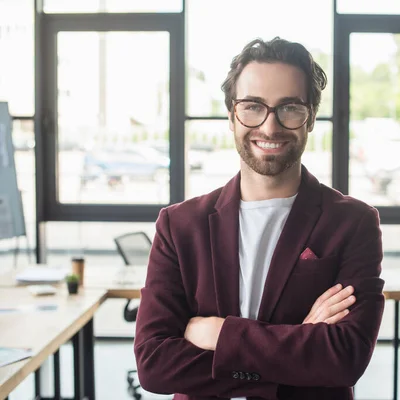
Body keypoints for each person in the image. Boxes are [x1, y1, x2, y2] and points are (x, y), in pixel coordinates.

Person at [134, 37, 385, 400]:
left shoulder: (353, 222)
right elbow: (155, 364)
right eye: (253, 107)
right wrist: (298, 344)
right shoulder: (179, 225)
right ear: (231, 115)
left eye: (290, 108)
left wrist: (220, 335)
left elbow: (345, 357)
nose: (270, 127)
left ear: (310, 117)